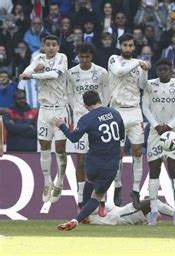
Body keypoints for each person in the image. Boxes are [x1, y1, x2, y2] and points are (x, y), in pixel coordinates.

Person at [56, 90, 125, 231]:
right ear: (100, 99)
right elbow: (122, 135)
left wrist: (61, 125)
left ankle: (82, 211)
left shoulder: (87, 119)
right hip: (111, 164)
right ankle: (77, 219)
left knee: (90, 181)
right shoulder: (115, 113)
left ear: (85, 105)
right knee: (97, 196)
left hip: (93, 162)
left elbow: (74, 137)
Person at [19, 35, 68, 204]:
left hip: (60, 110)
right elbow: (24, 73)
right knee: (45, 146)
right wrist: (33, 70)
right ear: (43, 46)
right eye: (48, 45)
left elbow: (55, 74)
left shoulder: (62, 58)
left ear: (58, 47)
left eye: (54, 45)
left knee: (60, 149)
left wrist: (35, 73)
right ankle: (47, 182)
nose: (51, 48)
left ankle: (60, 181)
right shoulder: (37, 58)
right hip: (45, 110)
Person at [142, 58, 175, 226]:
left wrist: (169, 125)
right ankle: (154, 211)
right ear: (157, 71)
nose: (163, 71)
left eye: (166, 69)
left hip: (174, 132)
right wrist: (156, 126)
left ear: (171, 70)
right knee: (153, 170)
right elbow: (145, 107)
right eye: (160, 69)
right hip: (155, 133)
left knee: (174, 170)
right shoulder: (149, 85)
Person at [108, 33, 151, 208]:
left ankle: (135, 190)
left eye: (130, 46)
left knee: (137, 151)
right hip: (117, 110)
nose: (128, 49)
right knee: (117, 152)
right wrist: (138, 62)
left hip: (134, 111)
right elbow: (119, 72)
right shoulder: (113, 60)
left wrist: (145, 71)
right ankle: (118, 186)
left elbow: (142, 85)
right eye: (125, 45)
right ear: (120, 46)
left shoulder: (139, 65)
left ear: (134, 47)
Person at [66, 42, 109, 214]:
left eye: (87, 57)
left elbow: (106, 95)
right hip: (80, 121)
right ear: (78, 56)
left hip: (98, 121)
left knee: (99, 161)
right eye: (81, 57)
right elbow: (69, 95)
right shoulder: (71, 73)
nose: (84, 60)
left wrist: (100, 113)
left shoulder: (101, 72)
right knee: (81, 161)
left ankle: (101, 200)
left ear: (92, 56)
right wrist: (76, 113)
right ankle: (80, 199)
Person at [87, 198, 175, 226]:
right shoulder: (92, 218)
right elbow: (105, 207)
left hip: (123, 214)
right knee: (153, 202)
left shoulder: (92, 216)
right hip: (121, 216)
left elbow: (106, 207)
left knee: (157, 208)